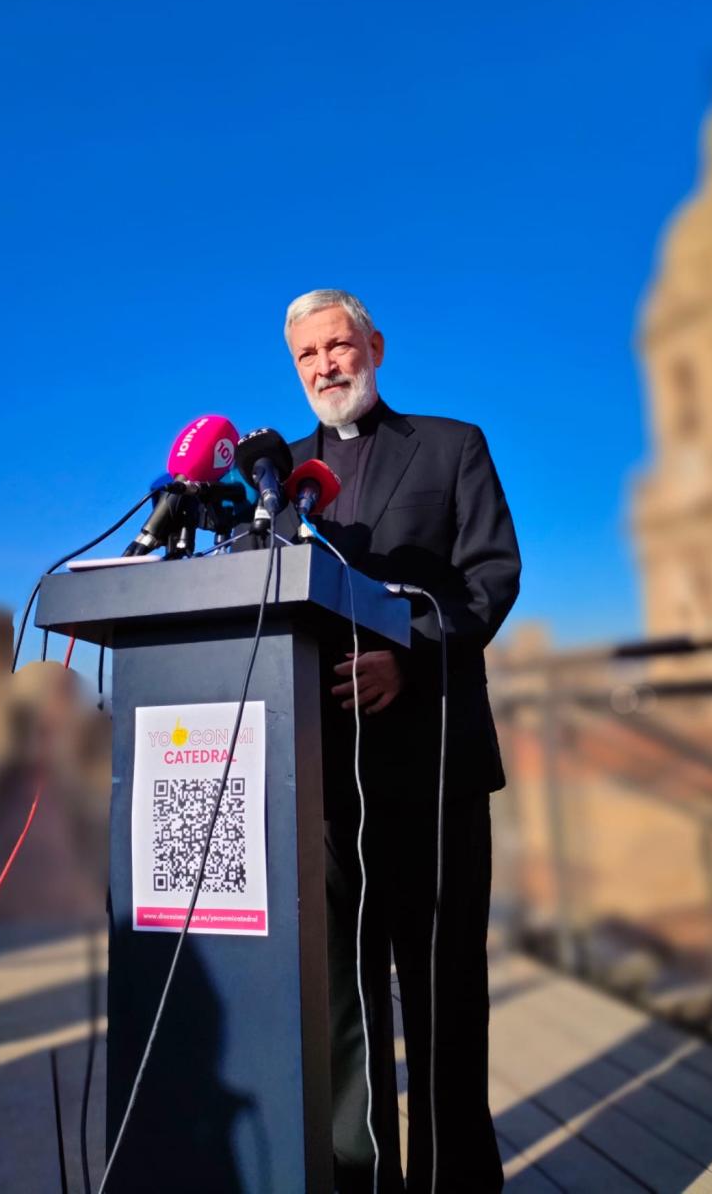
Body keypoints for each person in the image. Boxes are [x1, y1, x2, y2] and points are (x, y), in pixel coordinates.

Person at [279, 288, 521, 1194]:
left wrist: (407, 664)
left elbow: (491, 578)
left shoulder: (454, 447)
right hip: (318, 779)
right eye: (308, 356)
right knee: (341, 996)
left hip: (436, 765)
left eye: (338, 346)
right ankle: (359, 1176)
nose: (326, 367)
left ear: (374, 345)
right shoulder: (278, 478)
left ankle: (458, 1181)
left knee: (442, 995)